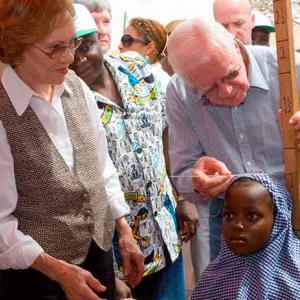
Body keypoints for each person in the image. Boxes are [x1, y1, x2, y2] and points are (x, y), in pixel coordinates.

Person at [0, 1, 144, 299]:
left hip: (99, 257)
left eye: (72, 43)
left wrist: (124, 231)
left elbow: (102, 168)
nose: (70, 57)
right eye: (55, 47)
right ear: (16, 46)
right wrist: (58, 270)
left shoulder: (76, 87)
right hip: (37, 277)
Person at [70, 4, 198, 300]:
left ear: (99, 39)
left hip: (166, 237)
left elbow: (164, 133)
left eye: (86, 46)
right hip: (119, 256)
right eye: (69, 49)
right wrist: (108, 272)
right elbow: (83, 190)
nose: (78, 59)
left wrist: (180, 196)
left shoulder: (137, 70)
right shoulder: (67, 102)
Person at [166, 18, 300, 261]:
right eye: (209, 90)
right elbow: (183, 172)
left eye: (231, 74)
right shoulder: (179, 91)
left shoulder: (290, 68)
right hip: (232, 218)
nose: (227, 91)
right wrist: (197, 182)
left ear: (236, 47)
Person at [191, 173, 300, 299]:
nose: (237, 225)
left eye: (252, 216)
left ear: (277, 220)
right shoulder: (213, 278)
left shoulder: (294, 282)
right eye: (229, 215)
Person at [118, 17, 170, 91]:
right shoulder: (126, 75)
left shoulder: (162, 83)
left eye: (127, 40)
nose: (119, 46)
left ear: (149, 48)